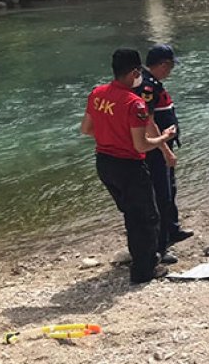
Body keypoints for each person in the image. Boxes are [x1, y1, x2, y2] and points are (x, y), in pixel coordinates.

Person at [80, 49, 176, 283]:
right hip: (129, 166)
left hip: (104, 163)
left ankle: (138, 256)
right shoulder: (136, 104)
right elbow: (141, 145)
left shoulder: (97, 94)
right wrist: (163, 139)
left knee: (131, 213)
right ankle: (144, 270)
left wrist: (111, 135)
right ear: (134, 72)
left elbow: (86, 129)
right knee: (146, 218)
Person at [134, 44, 193, 265]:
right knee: (161, 195)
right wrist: (165, 150)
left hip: (161, 148)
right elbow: (148, 123)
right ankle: (160, 245)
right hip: (155, 151)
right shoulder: (147, 87)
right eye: (169, 67)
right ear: (162, 65)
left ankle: (172, 229)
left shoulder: (153, 84)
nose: (171, 71)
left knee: (171, 189)